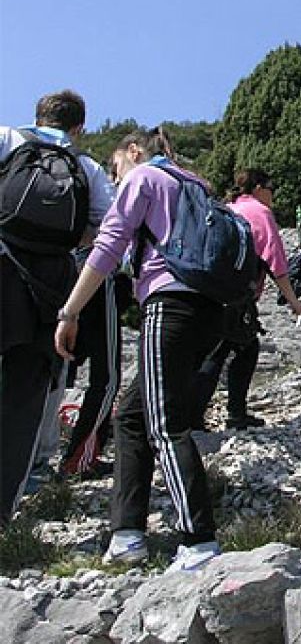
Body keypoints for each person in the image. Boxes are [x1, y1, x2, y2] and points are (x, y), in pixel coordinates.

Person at [55, 128, 226, 571]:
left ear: (134, 151)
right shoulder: (196, 183)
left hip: (168, 303)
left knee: (164, 423)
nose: (116, 178)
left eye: (115, 168)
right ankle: (128, 533)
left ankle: (200, 542)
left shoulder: (144, 179)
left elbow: (110, 245)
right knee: (133, 414)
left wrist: (70, 312)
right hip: (209, 310)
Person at [1, 90, 110, 519]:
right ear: (79, 127)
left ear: (37, 116)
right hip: (50, 286)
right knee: (25, 399)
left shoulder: (11, 139)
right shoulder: (87, 167)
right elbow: (108, 230)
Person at [191, 168, 301, 430]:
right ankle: (227, 414)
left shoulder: (228, 208)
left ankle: (204, 414)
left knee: (224, 348)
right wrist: (293, 301)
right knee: (236, 350)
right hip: (238, 295)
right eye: (270, 186)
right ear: (257, 188)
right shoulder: (260, 213)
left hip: (212, 291)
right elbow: (276, 262)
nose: (273, 193)